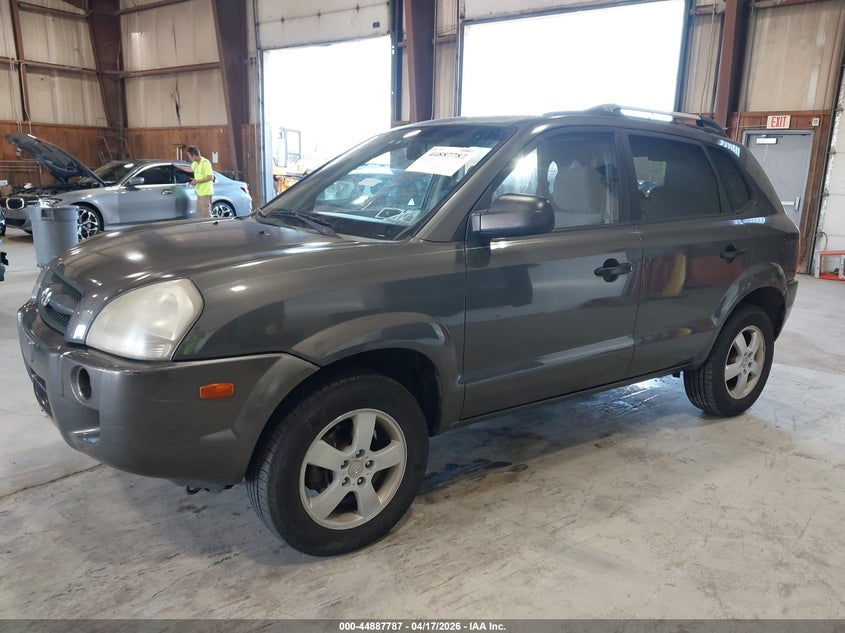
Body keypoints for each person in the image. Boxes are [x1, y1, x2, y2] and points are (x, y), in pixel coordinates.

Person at [179, 146, 214, 218]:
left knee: (206, 215)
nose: (189, 158)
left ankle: (209, 228)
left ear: (194, 155)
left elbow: (210, 177)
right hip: (199, 193)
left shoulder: (205, 162)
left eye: (189, 156)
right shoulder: (195, 163)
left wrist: (197, 181)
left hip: (206, 193)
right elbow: (190, 169)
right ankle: (202, 229)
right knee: (199, 214)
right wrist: (177, 166)